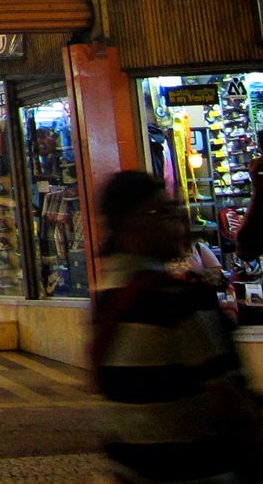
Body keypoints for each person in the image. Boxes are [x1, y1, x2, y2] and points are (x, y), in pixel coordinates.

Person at [93, 170, 262, 482]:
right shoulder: (174, 298)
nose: (179, 221)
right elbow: (230, 402)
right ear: (131, 225)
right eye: (164, 211)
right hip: (194, 470)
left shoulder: (105, 297)